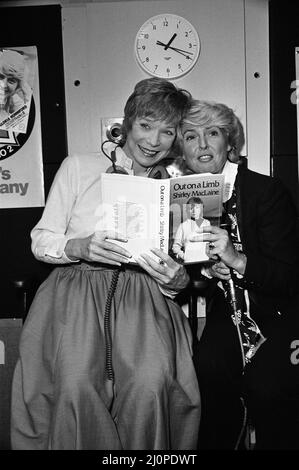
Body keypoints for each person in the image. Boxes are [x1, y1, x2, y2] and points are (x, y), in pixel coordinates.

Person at [11, 78, 200, 450]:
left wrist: (176, 280)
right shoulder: (79, 167)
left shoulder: (178, 188)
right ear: (127, 122)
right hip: (76, 292)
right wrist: (79, 246)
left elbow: (179, 269)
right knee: (75, 384)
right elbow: (41, 240)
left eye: (167, 132)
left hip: (144, 299)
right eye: (146, 126)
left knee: (151, 385)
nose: (153, 141)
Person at [178, 99, 299, 449]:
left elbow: (290, 277)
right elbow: (198, 273)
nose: (201, 144)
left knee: (268, 385)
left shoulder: (267, 192)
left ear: (230, 143)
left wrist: (236, 258)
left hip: (278, 313)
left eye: (212, 133)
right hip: (230, 313)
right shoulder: (186, 197)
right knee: (207, 369)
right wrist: (213, 270)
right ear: (182, 149)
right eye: (190, 136)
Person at [172, 196, 211, 262]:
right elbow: (175, 247)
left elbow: (210, 243)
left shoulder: (207, 223)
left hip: (205, 261)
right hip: (189, 262)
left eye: (197, 207)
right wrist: (184, 256)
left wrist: (209, 254)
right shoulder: (183, 226)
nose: (194, 211)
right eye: (191, 208)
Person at [0, 49, 31, 120]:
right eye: (0, 77)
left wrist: (27, 94)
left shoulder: (12, 98)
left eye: (11, 80)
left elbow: (25, 118)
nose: (3, 85)